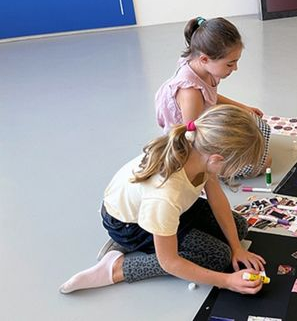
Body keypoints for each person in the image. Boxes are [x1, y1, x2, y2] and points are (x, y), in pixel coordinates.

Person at [60, 105, 267, 294]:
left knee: (238, 228)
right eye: (237, 167)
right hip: (130, 226)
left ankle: (155, 236)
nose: (237, 172)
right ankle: (117, 268)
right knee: (217, 257)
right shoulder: (165, 194)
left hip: (171, 209)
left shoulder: (199, 149)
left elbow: (217, 200)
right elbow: (169, 262)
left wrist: (237, 248)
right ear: (216, 159)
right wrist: (227, 281)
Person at [155, 16, 271, 177]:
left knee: (261, 126)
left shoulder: (201, 66)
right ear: (204, 59)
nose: (235, 68)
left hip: (204, 129)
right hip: (192, 148)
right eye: (230, 64)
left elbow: (211, 96)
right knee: (265, 163)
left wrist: (243, 107)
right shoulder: (190, 93)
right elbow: (192, 140)